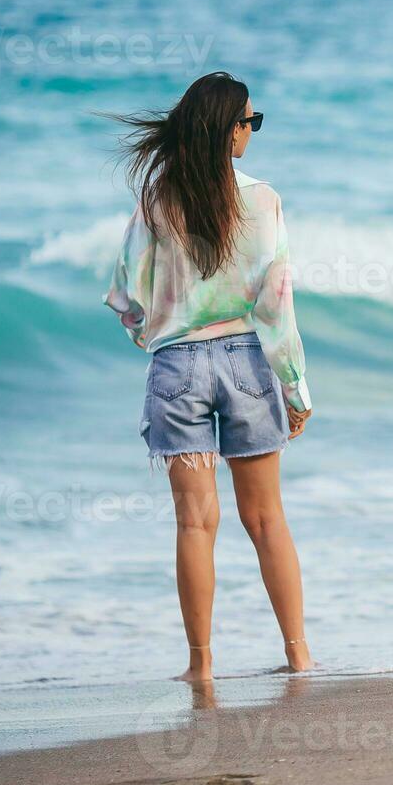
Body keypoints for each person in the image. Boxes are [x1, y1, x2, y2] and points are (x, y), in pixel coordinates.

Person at [104, 71, 314, 680]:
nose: (253, 129)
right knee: (267, 518)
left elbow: (123, 297)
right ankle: (298, 654)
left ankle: (201, 667)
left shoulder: (156, 200)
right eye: (250, 119)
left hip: (177, 371)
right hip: (247, 362)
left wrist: (156, 335)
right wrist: (297, 390)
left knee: (195, 522)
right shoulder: (263, 200)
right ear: (229, 130)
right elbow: (276, 307)